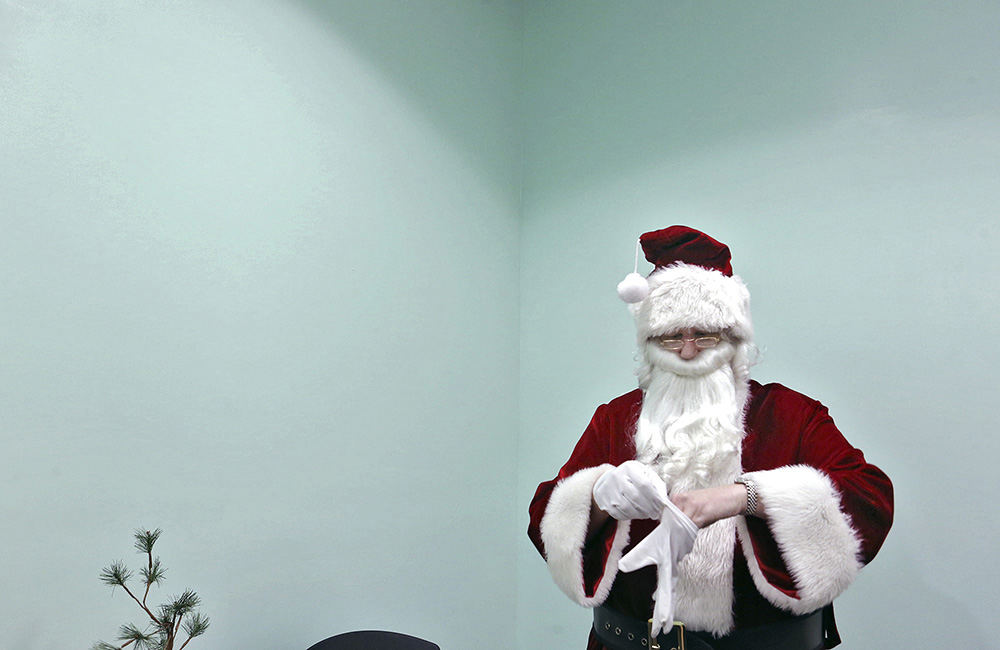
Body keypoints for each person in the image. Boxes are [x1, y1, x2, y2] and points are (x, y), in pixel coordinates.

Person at [527, 226, 893, 650]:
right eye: (671, 336)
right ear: (650, 341)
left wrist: (744, 497)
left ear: (733, 338)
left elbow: (870, 501)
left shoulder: (790, 414)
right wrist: (596, 498)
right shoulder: (615, 417)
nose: (687, 351)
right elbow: (542, 523)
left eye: (704, 334)